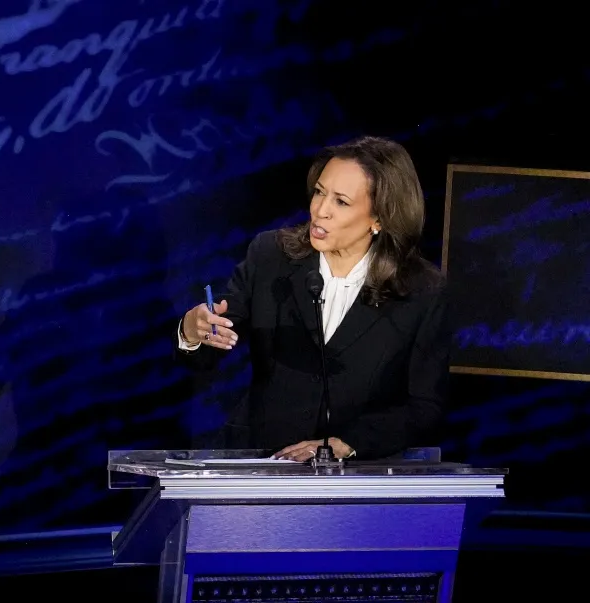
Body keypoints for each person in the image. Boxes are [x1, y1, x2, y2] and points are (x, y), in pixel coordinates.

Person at [177, 136, 451, 461]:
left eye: (341, 202)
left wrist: (347, 444)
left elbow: (424, 406)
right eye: (320, 192)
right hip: (260, 464)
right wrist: (192, 332)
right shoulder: (271, 256)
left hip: (358, 479)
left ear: (380, 218)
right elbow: (212, 342)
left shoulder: (422, 290)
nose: (320, 210)